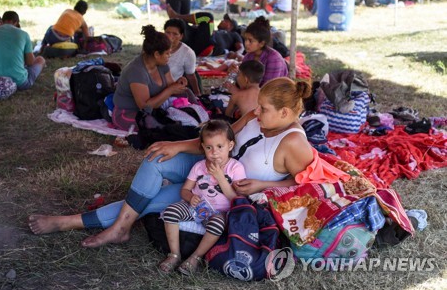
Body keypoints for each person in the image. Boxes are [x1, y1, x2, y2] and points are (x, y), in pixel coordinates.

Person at [28, 77, 315, 249]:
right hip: (207, 165)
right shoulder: (255, 116)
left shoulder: (293, 143)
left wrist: (264, 184)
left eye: (264, 109)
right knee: (156, 157)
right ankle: (120, 228)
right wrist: (177, 145)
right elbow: (219, 139)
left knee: (151, 201)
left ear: (285, 112)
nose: (256, 111)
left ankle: (73, 222)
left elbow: (306, 186)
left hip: (225, 193)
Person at [158, 120, 245, 274]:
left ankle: (196, 257)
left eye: (220, 146)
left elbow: (235, 199)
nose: (214, 152)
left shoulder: (235, 168)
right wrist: (190, 197)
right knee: (170, 212)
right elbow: (185, 190)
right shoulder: (199, 167)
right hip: (196, 207)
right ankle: (174, 254)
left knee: (218, 225)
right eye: (209, 147)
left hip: (219, 212)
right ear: (203, 147)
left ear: (230, 146)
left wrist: (220, 177)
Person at [111, 25, 188, 131]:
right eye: (167, 53)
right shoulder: (136, 71)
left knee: (187, 95)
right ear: (157, 54)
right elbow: (145, 107)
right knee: (155, 126)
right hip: (128, 113)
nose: (169, 56)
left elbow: (171, 85)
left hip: (154, 110)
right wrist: (171, 90)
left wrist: (178, 84)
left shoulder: (162, 64)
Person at [0, 11, 45, 90]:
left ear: (2, 21)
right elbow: (30, 62)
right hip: (20, 83)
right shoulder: (24, 34)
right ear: (16, 23)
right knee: (40, 59)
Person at [167, 7, 244, 58]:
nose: (221, 21)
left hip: (208, 46)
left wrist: (237, 54)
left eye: (225, 21)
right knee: (180, 24)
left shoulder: (234, 34)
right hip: (193, 44)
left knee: (208, 18)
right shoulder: (214, 31)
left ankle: (176, 16)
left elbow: (241, 47)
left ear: (230, 26)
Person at [236, 16, 288, 87]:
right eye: (245, 39)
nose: (246, 43)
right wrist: (236, 73)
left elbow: (268, 88)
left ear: (261, 43)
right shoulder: (248, 56)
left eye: (250, 40)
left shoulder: (274, 58)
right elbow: (243, 80)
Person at [164, 18, 200, 96]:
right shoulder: (156, 47)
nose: (170, 37)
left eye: (175, 34)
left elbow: (190, 75)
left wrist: (197, 93)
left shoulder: (187, 53)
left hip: (172, 91)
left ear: (181, 36)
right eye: (168, 33)